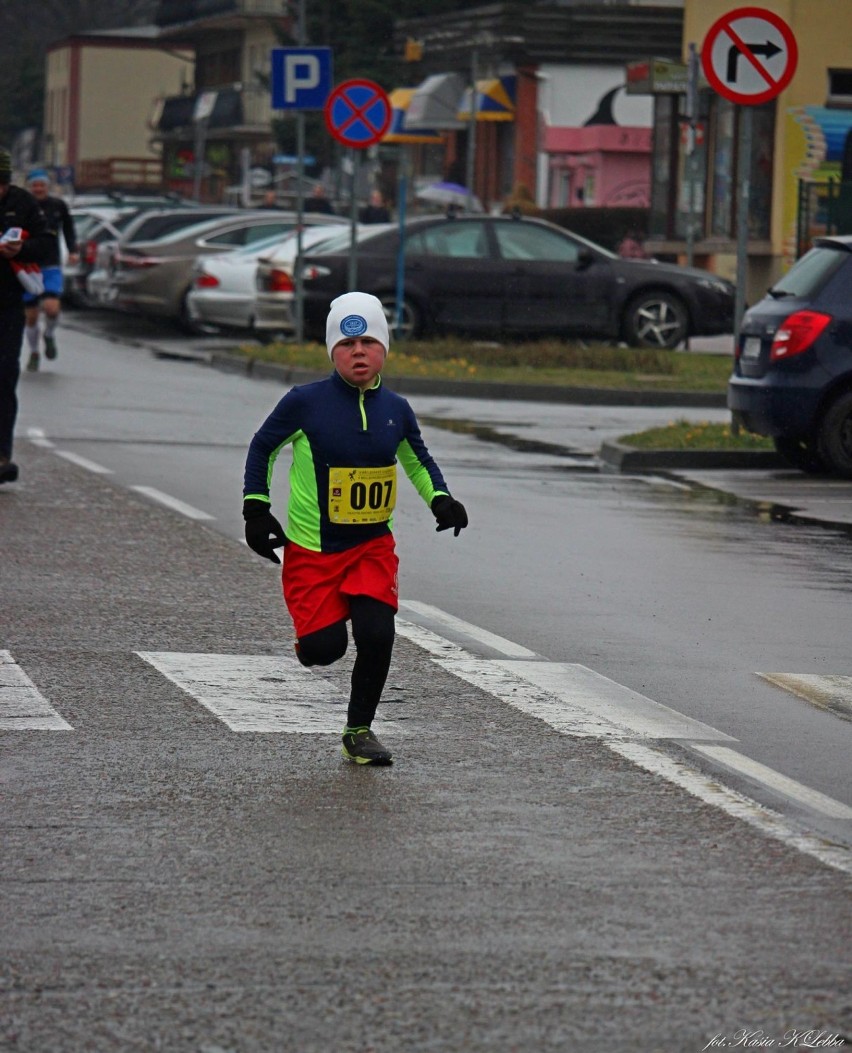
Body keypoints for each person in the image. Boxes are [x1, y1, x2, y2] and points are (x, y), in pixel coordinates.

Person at [242, 291, 468, 765]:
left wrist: (441, 499)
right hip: (313, 550)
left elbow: (417, 459)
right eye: (346, 344)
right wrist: (256, 509)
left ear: (384, 347)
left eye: (368, 340)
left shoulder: (396, 408)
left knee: (378, 632)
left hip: (371, 547)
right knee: (326, 650)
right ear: (332, 352)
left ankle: (359, 729)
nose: (358, 352)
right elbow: (262, 447)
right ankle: (314, 636)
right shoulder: (305, 403)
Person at [0, 150, 51, 485]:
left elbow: (48, 245)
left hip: (7, 304)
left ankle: (2, 456)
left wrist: (22, 250)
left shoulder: (24, 204)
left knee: (4, 377)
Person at [22, 169, 78, 372]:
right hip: (27, 267)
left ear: (47, 186)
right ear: (29, 187)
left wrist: (72, 250)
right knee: (31, 316)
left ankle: (49, 335)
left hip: (51, 265)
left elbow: (69, 229)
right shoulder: (22, 205)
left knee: (52, 308)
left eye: (41, 185)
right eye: (34, 185)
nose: (38, 189)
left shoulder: (58, 206)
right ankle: (34, 352)